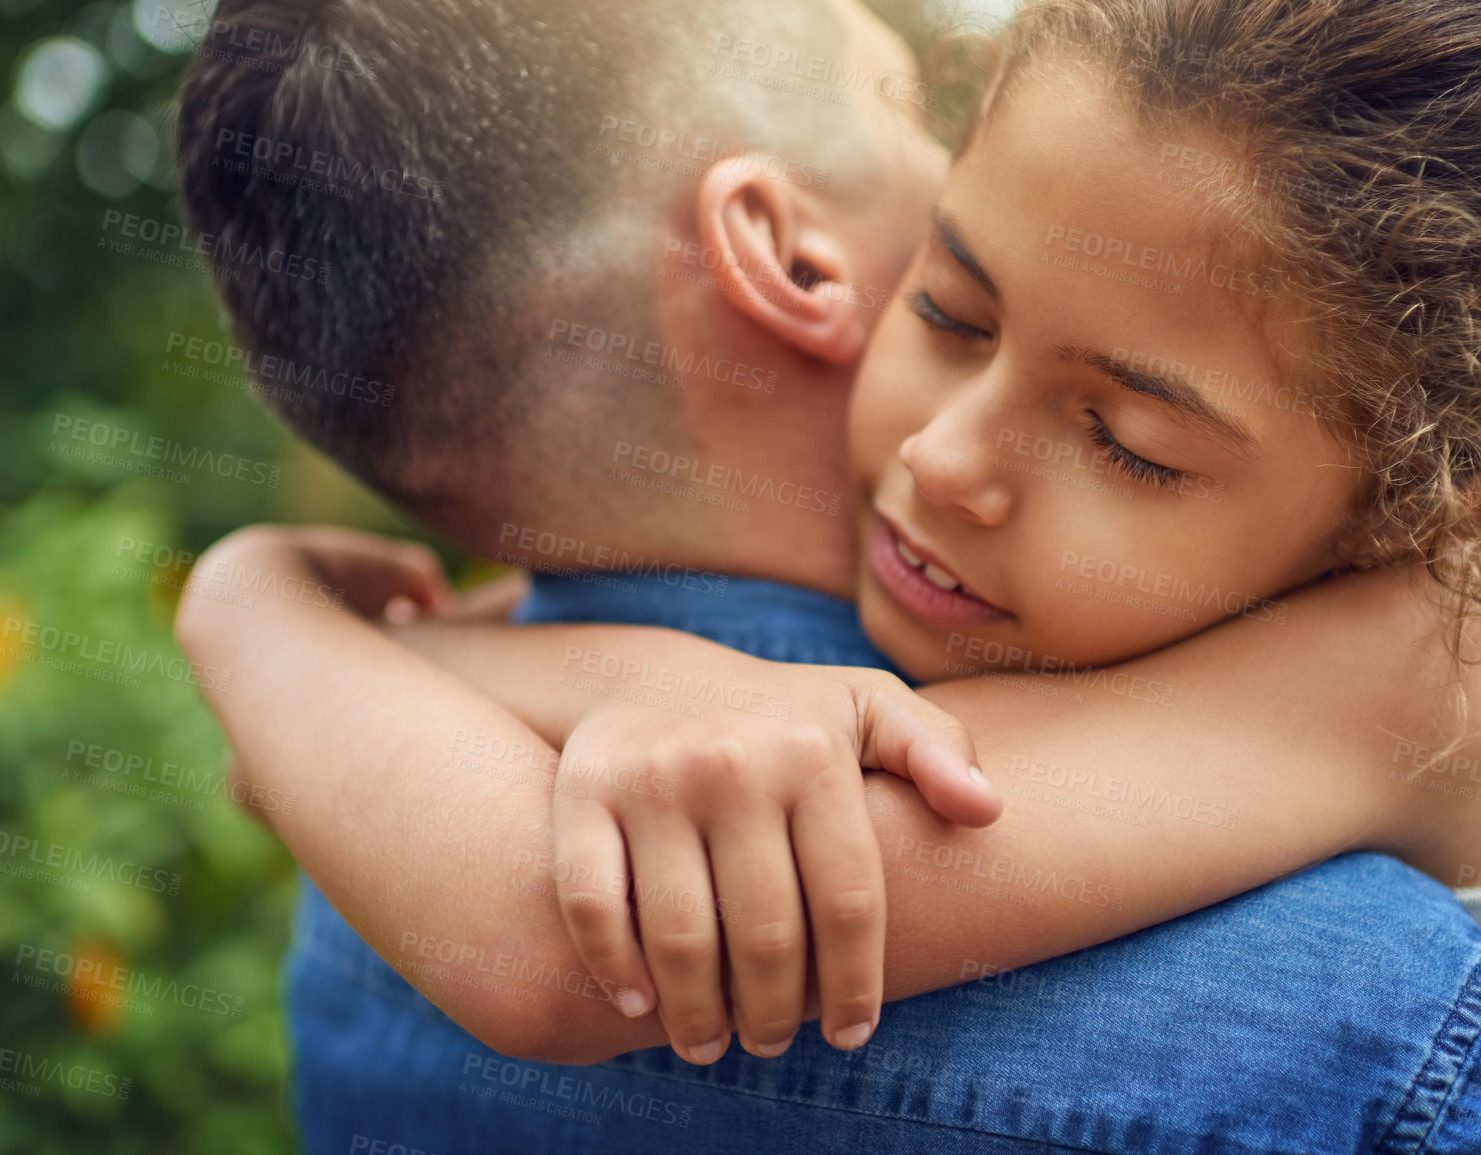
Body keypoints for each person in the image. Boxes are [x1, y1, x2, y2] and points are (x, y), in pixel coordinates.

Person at [175, 0, 1481, 1148]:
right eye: (953, 309)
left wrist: (263, 611)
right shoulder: (1383, 1027)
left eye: (1129, 445)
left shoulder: (354, 852)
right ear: (787, 259)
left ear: (1413, 516)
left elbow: (551, 949)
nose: (945, 453)